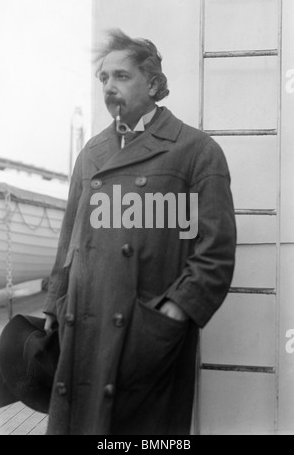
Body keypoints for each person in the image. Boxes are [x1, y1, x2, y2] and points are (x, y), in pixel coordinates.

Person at [43, 29, 237, 435]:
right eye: (103, 78)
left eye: (121, 76)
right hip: (83, 327)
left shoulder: (196, 151)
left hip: (144, 333)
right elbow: (69, 238)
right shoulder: (92, 152)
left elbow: (215, 251)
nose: (109, 87)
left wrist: (174, 313)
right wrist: (54, 304)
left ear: (152, 83)